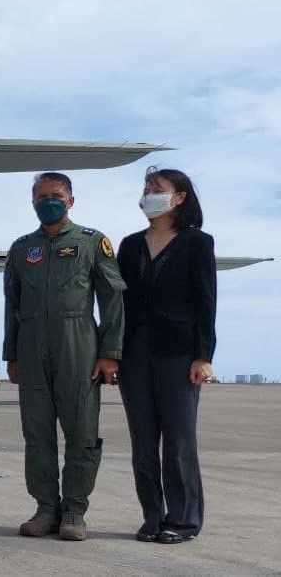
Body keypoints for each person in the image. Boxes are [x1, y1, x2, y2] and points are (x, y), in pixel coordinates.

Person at [3, 172, 126, 541]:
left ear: (71, 200)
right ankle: (45, 508)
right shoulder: (22, 248)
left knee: (82, 431)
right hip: (32, 346)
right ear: (32, 202)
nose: (48, 202)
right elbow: (12, 305)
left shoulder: (93, 242)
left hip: (79, 345)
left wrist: (110, 352)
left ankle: (74, 509)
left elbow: (113, 299)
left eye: (55, 195)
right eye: (40, 197)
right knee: (37, 432)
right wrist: (12, 355)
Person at [118, 167, 215, 545]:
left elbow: (206, 303)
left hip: (179, 354)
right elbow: (117, 304)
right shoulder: (129, 244)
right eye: (146, 188)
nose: (148, 193)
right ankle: (152, 517)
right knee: (143, 442)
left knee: (178, 440)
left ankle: (183, 519)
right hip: (134, 354)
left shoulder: (197, 243)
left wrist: (203, 355)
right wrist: (111, 353)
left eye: (157, 189)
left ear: (179, 198)